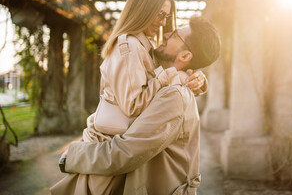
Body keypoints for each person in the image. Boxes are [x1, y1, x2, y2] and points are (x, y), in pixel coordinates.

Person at [50, 16, 221, 195]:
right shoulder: (168, 82)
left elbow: (126, 152)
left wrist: (72, 156)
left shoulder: (174, 96)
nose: (166, 33)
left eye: (175, 34)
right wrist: (200, 80)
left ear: (185, 56)